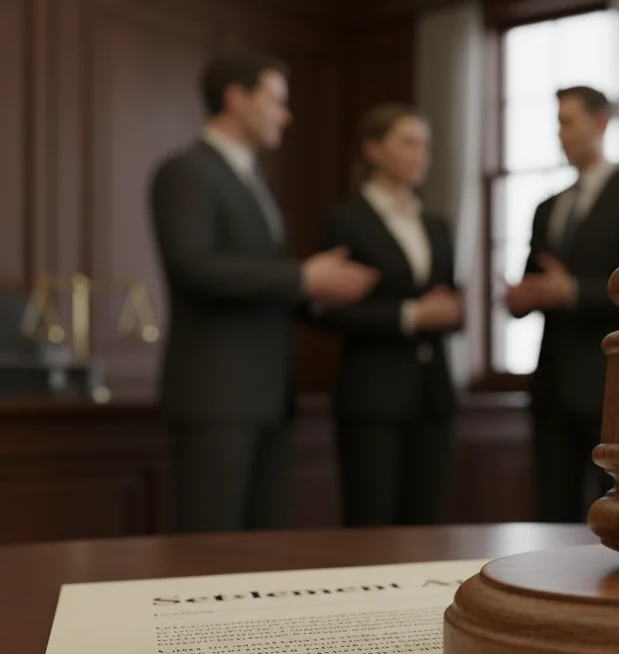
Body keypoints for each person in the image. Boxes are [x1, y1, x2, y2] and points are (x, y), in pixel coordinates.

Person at [149, 54, 378, 533]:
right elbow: (194, 267)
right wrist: (301, 278)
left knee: (258, 552)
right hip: (216, 397)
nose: (286, 115)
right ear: (237, 97)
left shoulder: (254, 182)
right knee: (209, 552)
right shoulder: (186, 171)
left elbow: (261, 277)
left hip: (270, 396)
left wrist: (319, 289)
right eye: (277, 100)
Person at [505, 85, 619, 524]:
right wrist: (520, 297)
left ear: (600, 123)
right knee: (552, 510)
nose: (559, 134)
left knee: (616, 512)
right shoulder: (548, 207)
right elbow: (536, 281)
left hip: (613, 385)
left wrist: (574, 292)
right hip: (551, 386)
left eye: (567, 122)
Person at [315, 104, 463, 527]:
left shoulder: (437, 224)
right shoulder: (345, 220)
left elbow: (447, 301)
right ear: (373, 150)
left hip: (433, 393)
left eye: (425, 145)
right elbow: (327, 311)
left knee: (428, 519)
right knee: (372, 519)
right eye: (408, 142)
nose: (421, 154)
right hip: (372, 393)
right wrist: (410, 315)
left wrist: (451, 311)